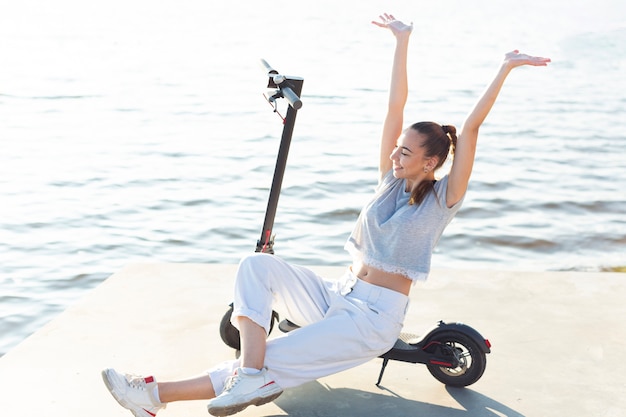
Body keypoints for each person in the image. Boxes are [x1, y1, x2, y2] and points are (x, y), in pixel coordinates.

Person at [101, 13, 550, 417]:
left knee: (272, 358)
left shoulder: (442, 201)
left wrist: (506, 67)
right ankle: (251, 374)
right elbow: (395, 107)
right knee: (257, 265)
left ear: (430, 163)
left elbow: (470, 128)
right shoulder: (389, 180)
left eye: (406, 151)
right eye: (396, 147)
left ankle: (152, 395)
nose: (395, 153)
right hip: (340, 293)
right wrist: (401, 40)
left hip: (373, 319)